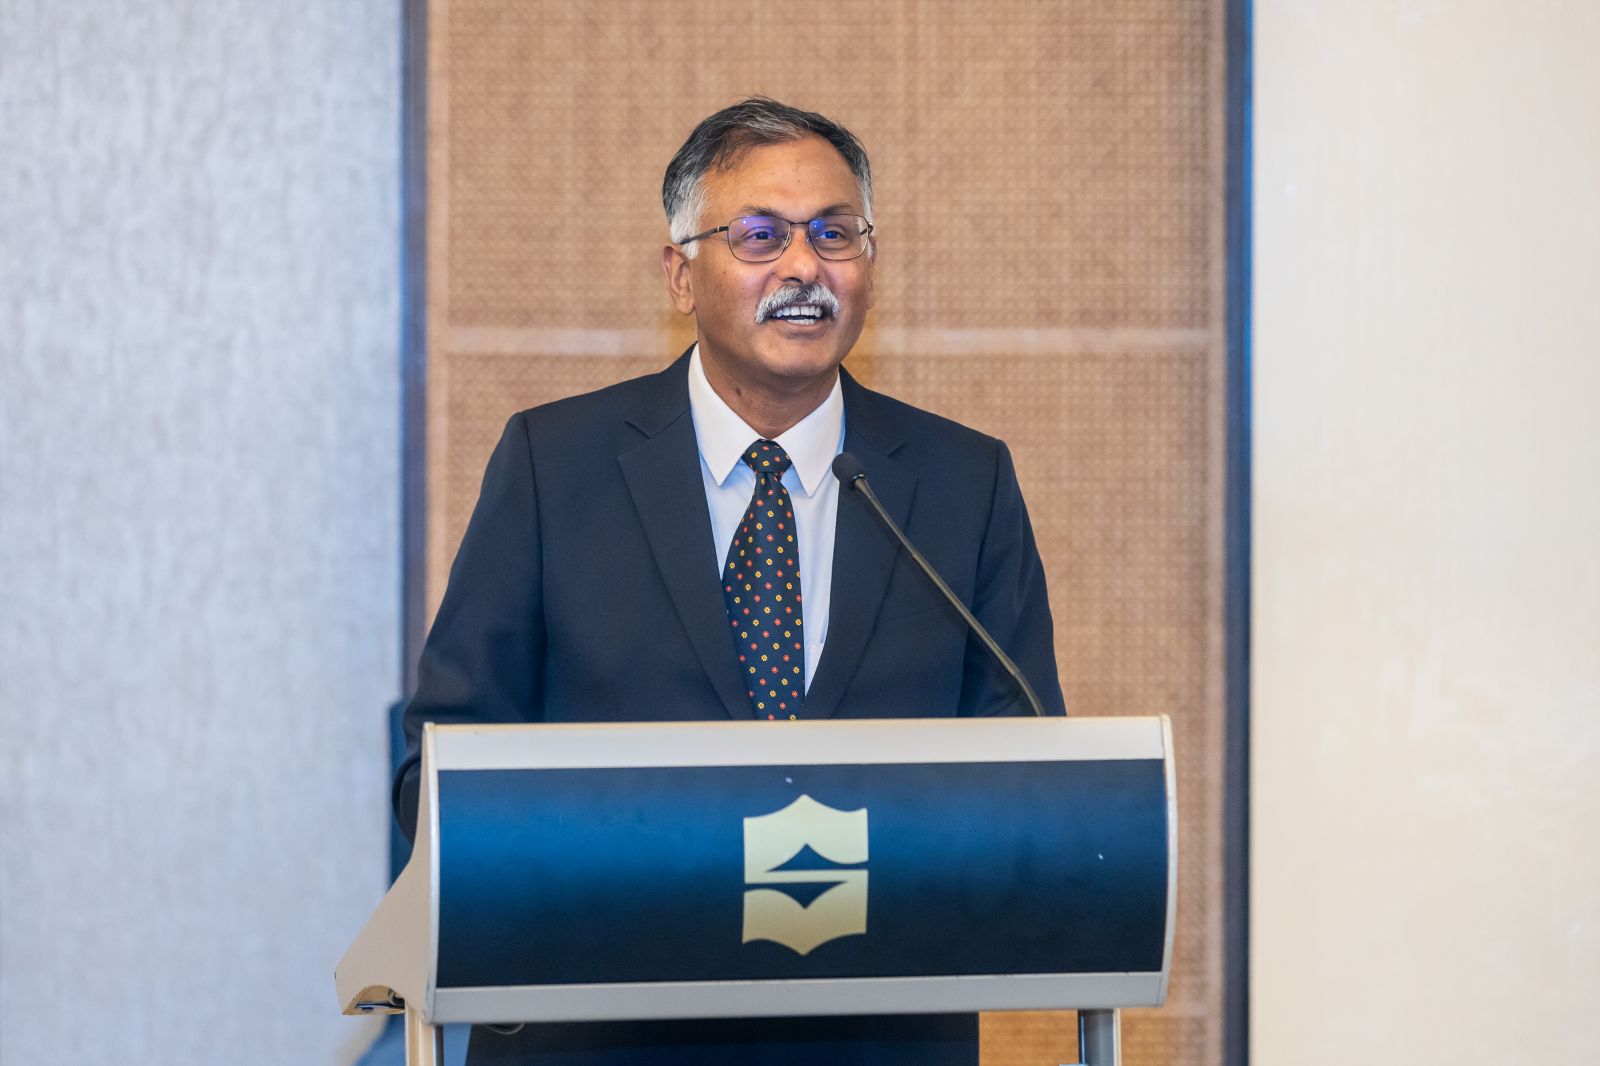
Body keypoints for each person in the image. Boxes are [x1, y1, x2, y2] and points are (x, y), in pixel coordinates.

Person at [395, 97, 1066, 1066]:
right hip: (599, 1032)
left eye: (834, 233)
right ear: (680, 272)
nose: (803, 268)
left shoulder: (964, 482)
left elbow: (1030, 774)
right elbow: (442, 766)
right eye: (760, 236)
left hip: (875, 1037)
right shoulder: (557, 464)